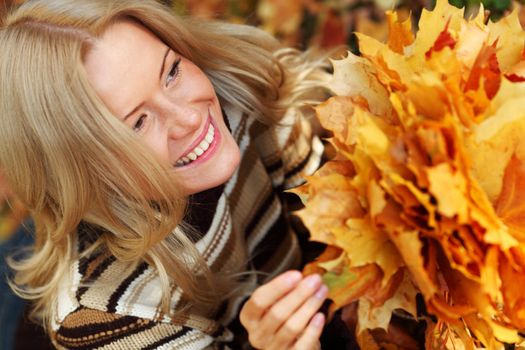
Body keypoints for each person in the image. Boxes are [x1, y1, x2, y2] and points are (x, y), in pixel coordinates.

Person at [0, 0, 331, 348]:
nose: (189, 119)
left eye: (171, 72)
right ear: (85, 172)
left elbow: (342, 229)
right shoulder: (103, 319)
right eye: (138, 123)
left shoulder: (246, 97)